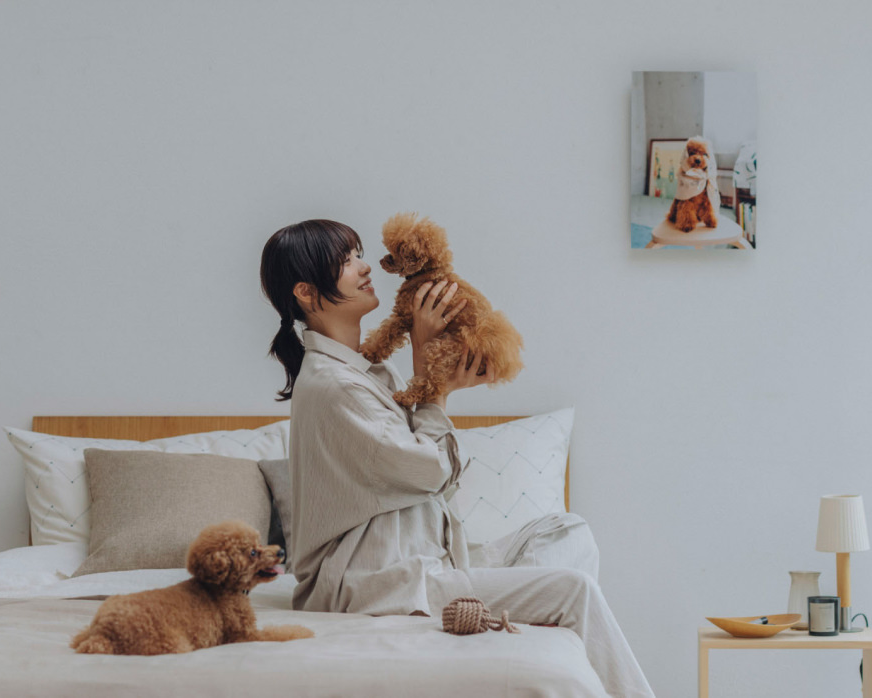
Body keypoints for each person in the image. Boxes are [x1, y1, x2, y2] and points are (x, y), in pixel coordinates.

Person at [259, 219, 654, 698]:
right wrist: (434, 386)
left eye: (359, 254)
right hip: (376, 584)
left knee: (565, 531)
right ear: (306, 291)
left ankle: (528, 632)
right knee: (575, 590)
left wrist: (432, 371)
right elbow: (430, 472)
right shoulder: (334, 386)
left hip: (427, 562)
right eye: (346, 261)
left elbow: (431, 480)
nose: (365, 268)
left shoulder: (366, 372)